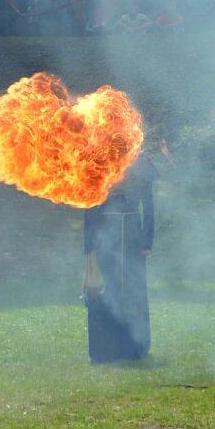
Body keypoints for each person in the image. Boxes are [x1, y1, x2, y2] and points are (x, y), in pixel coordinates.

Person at [83, 155, 157, 363]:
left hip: (132, 238)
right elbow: (89, 207)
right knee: (106, 290)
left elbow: (149, 206)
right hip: (103, 237)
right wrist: (89, 246)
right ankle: (104, 350)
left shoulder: (140, 162)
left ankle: (135, 347)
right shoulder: (97, 160)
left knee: (133, 290)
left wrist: (146, 241)